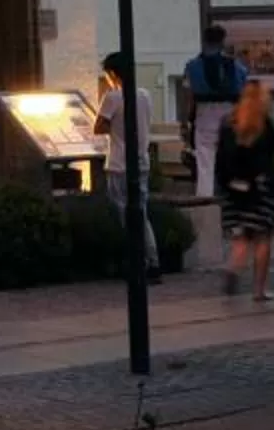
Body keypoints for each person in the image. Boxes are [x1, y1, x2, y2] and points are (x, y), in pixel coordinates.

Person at [91, 50, 164, 280]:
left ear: (113, 73)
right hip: (141, 161)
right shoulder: (144, 95)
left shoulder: (113, 97)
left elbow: (98, 127)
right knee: (141, 212)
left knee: (125, 215)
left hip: (119, 163)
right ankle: (153, 261)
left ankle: (137, 261)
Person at [214, 77, 274, 300]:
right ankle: (259, 289)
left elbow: (220, 157)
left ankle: (233, 267)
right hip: (259, 187)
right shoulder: (263, 122)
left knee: (241, 236)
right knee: (262, 238)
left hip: (232, 188)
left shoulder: (228, 122)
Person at [179, 23, 246, 200]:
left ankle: (205, 200)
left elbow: (188, 96)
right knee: (232, 158)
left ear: (204, 41)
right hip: (231, 114)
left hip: (205, 113)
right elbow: (244, 93)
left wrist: (184, 122)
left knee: (205, 161)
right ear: (223, 41)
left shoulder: (193, 66)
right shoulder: (236, 66)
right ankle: (233, 198)